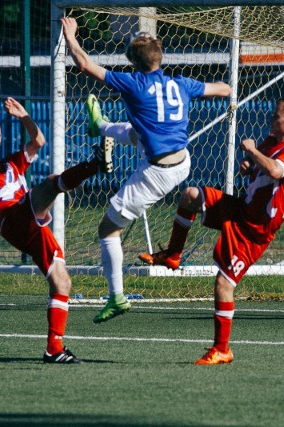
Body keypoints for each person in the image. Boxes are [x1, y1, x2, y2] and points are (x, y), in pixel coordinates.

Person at [61, 17, 232, 324]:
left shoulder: (133, 83)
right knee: (139, 131)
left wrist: (71, 37)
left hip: (157, 172)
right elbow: (224, 88)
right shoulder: (181, 84)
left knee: (107, 229)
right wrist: (221, 89)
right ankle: (99, 126)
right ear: (160, 57)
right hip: (182, 161)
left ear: (132, 62)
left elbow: (85, 65)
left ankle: (116, 297)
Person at [141, 96, 284, 364]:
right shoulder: (270, 141)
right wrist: (248, 165)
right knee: (190, 196)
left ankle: (222, 349)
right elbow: (260, 168)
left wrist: (253, 153)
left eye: (276, 114)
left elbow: (277, 171)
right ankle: (173, 254)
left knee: (223, 283)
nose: (270, 117)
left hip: (254, 230)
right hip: (242, 209)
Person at [0, 97, 114, 363]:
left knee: (62, 282)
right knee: (48, 185)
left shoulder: (13, 163)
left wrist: (24, 116)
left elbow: (39, 142)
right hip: (11, 219)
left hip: (31, 221)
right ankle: (94, 164)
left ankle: (54, 349)